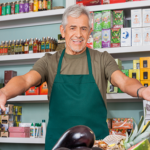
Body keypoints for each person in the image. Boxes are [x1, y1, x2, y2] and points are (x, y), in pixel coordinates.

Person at [0, 4, 150, 150]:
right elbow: (25, 80)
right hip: (57, 144)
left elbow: (123, 81)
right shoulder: (49, 61)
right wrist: (4, 92)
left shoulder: (102, 59)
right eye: (72, 28)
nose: (78, 34)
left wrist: (142, 90)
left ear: (90, 31)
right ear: (63, 30)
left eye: (83, 28)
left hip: (96, 144)